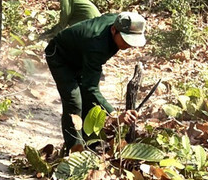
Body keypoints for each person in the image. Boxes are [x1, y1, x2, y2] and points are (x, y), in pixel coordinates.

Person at [45, 12, 146, 153]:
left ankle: (90, 142)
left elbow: (90, 89)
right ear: (113, 30)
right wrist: (115, 114)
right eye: (126, 40)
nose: (129, 45)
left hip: (81, 56)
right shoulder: (96, 44)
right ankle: (74, 151)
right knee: (74, 101)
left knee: (89, 100)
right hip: (60, 56)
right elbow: (90, 87)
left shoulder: (121, 22)